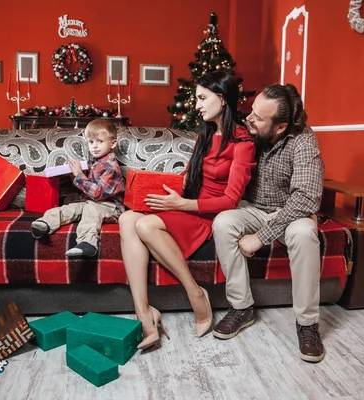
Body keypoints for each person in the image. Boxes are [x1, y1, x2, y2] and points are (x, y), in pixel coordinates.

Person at [119, 70, 256, 350]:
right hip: (189, 205)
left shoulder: (244, 143)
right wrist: (166, 187)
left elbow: (231, 200)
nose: (197, 105)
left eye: (203, 98)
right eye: (197, 98)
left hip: (210, 214)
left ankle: (196, 294)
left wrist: (182, 204)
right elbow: (193, 175)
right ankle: (145, 313)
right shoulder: (205, 134)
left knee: (144, 225)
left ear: (222, 98)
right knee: (126, 218)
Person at [211, 84, 326, 362]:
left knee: (304, 232)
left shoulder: (303, 141)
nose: (249, 118)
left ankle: (307, 324)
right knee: (224, 222)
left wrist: (261, 237)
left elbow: (307, 198)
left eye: (258, 117)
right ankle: (242, 308)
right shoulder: (247, 132)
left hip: (288, 213)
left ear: (280, 126)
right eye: (252, 110)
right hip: (250, 208)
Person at [31, 119, 124, 257]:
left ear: (113, 143)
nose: (94, 146)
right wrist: (73, 176)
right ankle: (45, 223)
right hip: (91, 203)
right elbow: (90, 187)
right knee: (71, 208)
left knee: (91, 211)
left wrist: (79, 175)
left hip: (110, 207)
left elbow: (97, 193)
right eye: (91, 142)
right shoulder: (95, 162)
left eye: (100, 141)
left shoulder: (110, 167)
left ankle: (88, 243)